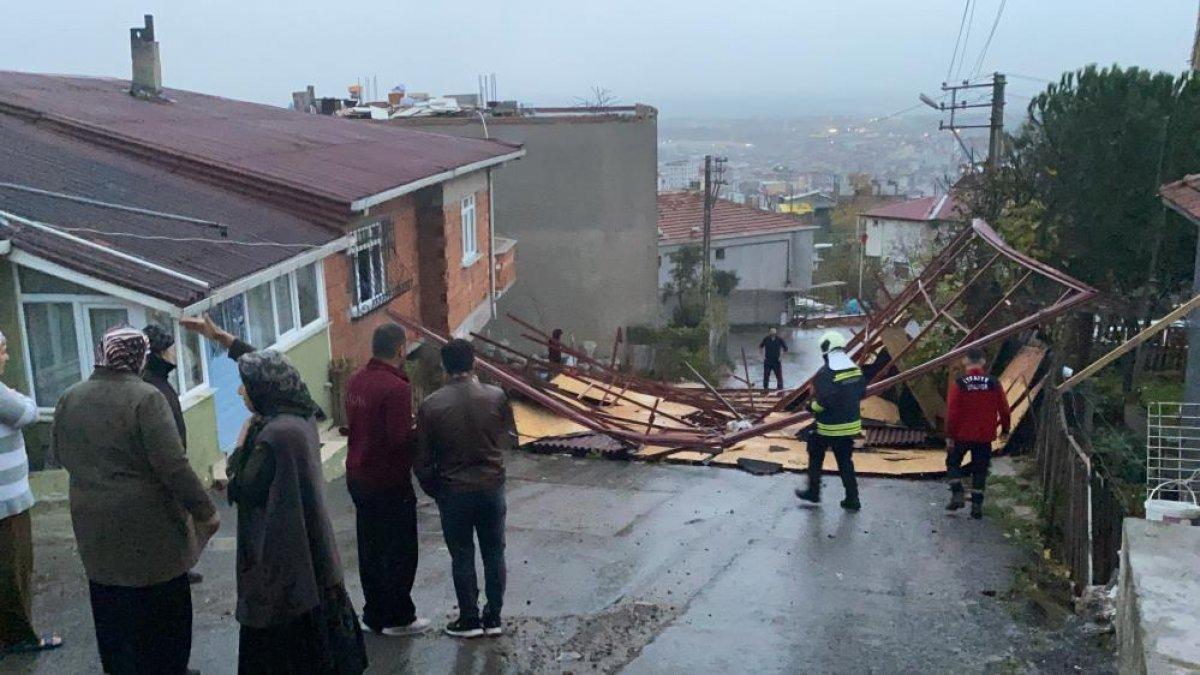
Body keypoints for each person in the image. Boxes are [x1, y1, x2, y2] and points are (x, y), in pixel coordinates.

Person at [53, 326, 219, 674]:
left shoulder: (70, 396)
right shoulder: (145, 398)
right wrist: (204, 511)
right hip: (149, 532)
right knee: (162, 628)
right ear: (139, 358)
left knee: (112, 620)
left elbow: (61, 453)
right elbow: (173, 465)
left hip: (93, 529)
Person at [229, 350, 367, 674]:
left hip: (282, 562)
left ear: (264, 389)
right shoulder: (301, 416)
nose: (240, 392)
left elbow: (244, 488)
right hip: (312, 549)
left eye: (245, 385)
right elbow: (276, 368)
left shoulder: (273, 436)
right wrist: (227, 341)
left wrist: (239, 445)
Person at [414, 339, 515, 639]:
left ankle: (469, 619)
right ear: (474, 364)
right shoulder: (496, 396)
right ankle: (493, 617)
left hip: (454, 490)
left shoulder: (431, 405)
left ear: (444, 367)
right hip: (491, 487)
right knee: (494, 551)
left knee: (462, 554)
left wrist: (438, 490)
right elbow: (506, 438)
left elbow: (421, 460)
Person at [344, 324, 429, 636]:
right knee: (400, 549)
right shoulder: (396, 388)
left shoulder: (356, 381)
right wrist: (421, 435)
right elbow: (398, 438)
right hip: (388, 480)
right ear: (399, 349)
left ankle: (374, 613)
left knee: (371, 548)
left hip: (358, 475)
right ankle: (400, 616)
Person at [0, 330, 62, 656]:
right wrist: (18, 395)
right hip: (7, 501)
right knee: (14, 570)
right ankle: (19, 636)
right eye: (3, 351)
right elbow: (30, 413)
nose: (7, 357)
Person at [142, 324, 205, 586]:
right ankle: (172, 571)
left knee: (177, 519)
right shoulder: (151, 387)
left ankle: (181, 567)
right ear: (159, 354)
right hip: (163, 470)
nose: (175, 354)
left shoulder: (159, 382)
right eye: (170, 349)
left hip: (171, 461)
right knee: (167, 522)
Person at [795, 331, 865, 511]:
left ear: (826, 351)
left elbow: (823, 402)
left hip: (829, 426)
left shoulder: (825, 373)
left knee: (815, 450)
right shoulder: (855, 369)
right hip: (851, 425)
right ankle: (853, 498)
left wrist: (810, 408)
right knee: (845, 461)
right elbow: (862, 393)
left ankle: (813, 491)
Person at [944, 348, 1011, 520]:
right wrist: (1005, 429)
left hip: (961, 435)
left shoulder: (960, 383)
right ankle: (976, 507)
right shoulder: (993, 383)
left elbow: (952, 412)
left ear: (965, 361)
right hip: (984, 436)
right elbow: (1004, 408)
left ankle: (957, 493)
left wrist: (950, 435)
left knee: (952, 462)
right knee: (980, 470)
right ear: (983, 362)